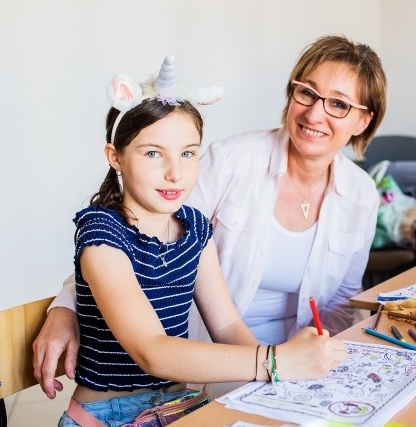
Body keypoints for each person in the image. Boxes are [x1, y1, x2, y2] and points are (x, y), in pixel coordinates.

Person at [34, 35, 387, 399]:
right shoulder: (230, 162)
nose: (315, 114)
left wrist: (306, 369)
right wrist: (64, 307)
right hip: (209, 365)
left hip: (276, 366)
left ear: (363, 120)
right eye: (307, 94)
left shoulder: (360, 193)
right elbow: (136, 241)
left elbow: (341, 303)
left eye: (339, 105)